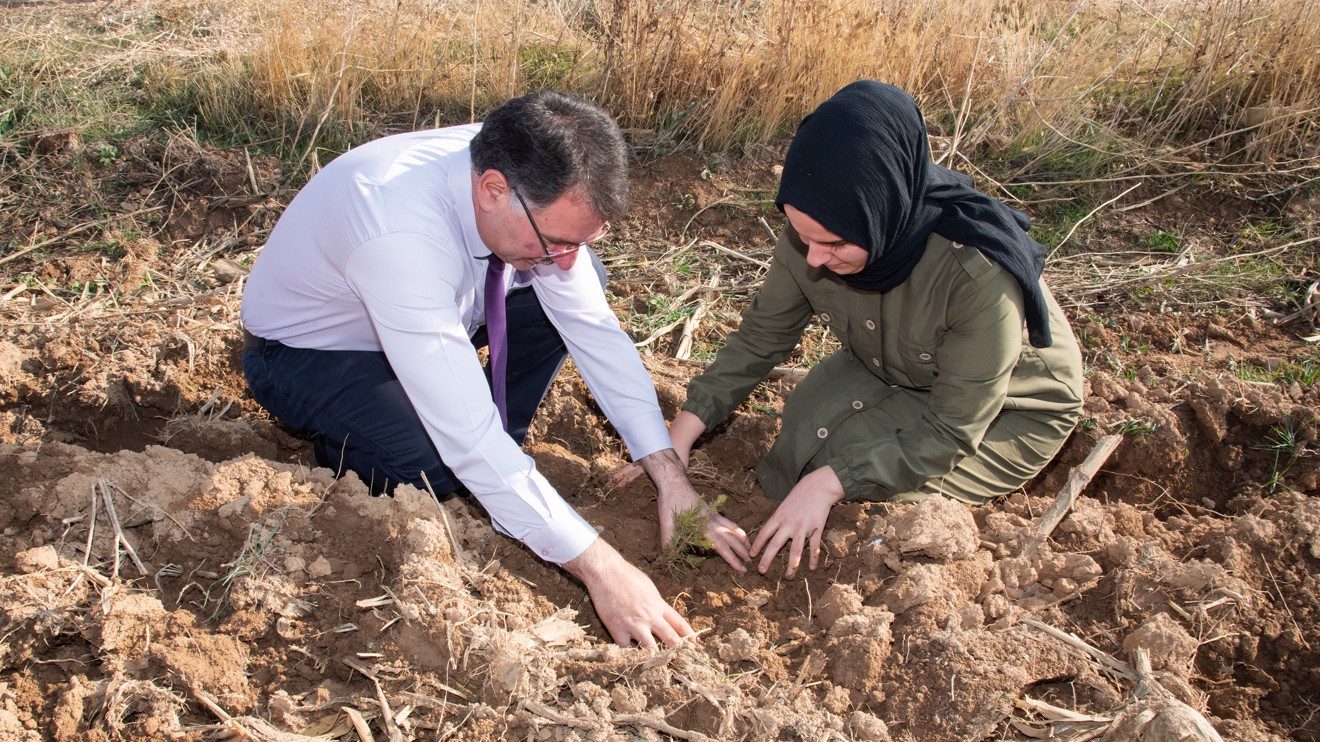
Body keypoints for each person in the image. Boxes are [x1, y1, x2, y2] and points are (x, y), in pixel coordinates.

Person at [240, 90, 750, 648]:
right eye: (556, 241)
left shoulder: (529, 180)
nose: (567, 260)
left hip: (436, 313)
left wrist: (670, 478)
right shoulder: (396, 228)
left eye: (582, 240)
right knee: (435, 459)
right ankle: (356, 457)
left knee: (575, 293)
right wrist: (605, 572)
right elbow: (466, 436)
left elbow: (596, 335)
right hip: (312, 352)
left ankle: (506, 455)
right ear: (491, 190)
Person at [644, 80, 1084, 578]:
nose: (813, 258)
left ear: (883, 212)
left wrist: (832, 484)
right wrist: (675, 442)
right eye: (802, 236)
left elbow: (952, 428)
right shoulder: (817, 224)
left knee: (872, 515)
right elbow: (760, 338)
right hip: (889, 362)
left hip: (1005, 410)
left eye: (832, 244)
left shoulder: (975, 277)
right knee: (798, 455)